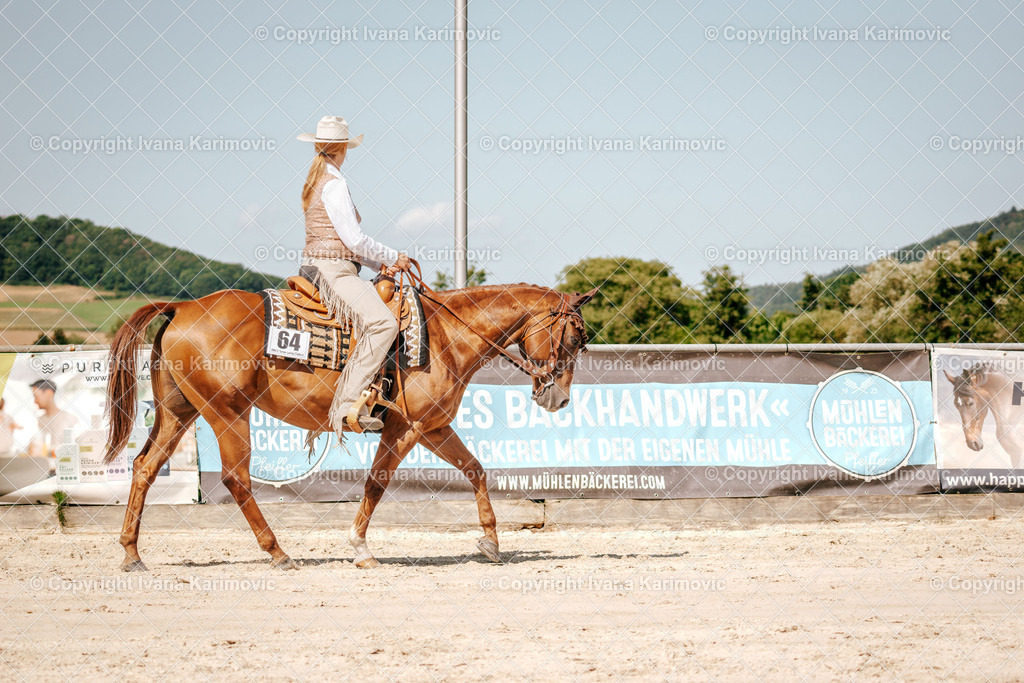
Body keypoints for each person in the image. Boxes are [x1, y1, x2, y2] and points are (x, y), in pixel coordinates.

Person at [297, 115, 410, 433]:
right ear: (344, 148)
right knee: (383, 324)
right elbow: (355, 240)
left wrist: (377, 265)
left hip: (323, 265)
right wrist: (393, 256)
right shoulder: (335, 184)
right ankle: (347, 405)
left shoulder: (315, 181)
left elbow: (345, 242)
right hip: (334, 272)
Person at [27, 379, 79, 459]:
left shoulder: (70, 419)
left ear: (48, 393)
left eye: (36, 397)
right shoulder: (40, 420)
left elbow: (75, 450)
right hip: (44, 465)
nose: (35, 401)